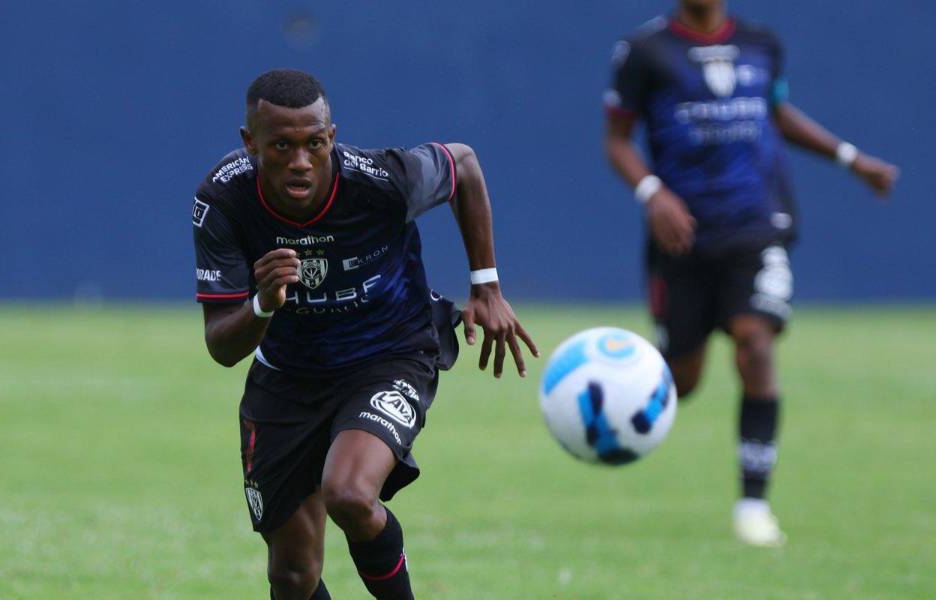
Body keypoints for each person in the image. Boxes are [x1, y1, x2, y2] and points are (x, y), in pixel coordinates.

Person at [192, 68, 539, 599]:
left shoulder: (381, 181)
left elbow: (464, 164)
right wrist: (262, 303)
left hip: (389, 355)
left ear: (332, 137)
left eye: (314, 143)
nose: (300, 161)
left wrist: (486, 287)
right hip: (288, 378)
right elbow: (221, 345)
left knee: (350, 494)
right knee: (291, 575)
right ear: (250, 143)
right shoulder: (223, 199)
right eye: (281, 146)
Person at [604, 0, 899, 547]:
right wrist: (652, 193)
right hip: (682, 235)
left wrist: (851, 158)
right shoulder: (645, 51)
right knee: (681, 380)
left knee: (756, 343)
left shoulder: (762, 43)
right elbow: (616, 138)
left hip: (756, 224)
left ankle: (753, 505)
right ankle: (604, 410)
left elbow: (776, 113)